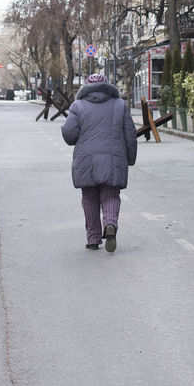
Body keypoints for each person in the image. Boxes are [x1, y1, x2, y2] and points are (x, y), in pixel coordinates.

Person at [60, 72, 138, 252]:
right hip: (113, 159)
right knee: (111, 195)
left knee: (89, 198)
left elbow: (70, 135)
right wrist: (130, 158)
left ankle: (93, 239)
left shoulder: (77, 106)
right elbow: (130, 135)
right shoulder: (120, 105)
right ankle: (110, 223)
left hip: (86, 160)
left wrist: (65, 129)